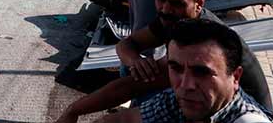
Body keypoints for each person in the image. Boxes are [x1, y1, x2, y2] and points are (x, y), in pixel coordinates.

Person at [55, 0, 271, 122]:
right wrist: (134, 61)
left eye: (176, 3)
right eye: (160, 0)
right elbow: (126, 45)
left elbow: (129, 86)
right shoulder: (174, 21)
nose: (165, 9)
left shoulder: (202, 40)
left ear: (199, 3)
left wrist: (73, 110)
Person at [99, 19, 273, 122]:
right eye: (176, 68)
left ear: (235, 77)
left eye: (202, 72)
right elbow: (123, 119)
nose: (186, 84)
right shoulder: (182, 100)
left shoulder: (247, 120)